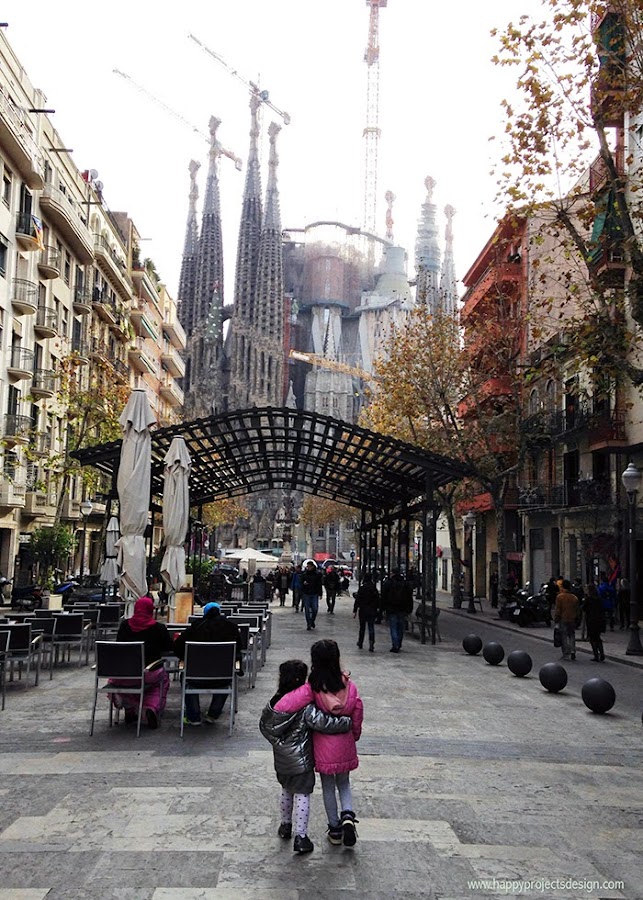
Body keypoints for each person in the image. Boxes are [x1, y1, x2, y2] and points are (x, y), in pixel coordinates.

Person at [274, 640, 363, 848]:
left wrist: (273, 712)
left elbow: (287, 704)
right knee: (344, 783)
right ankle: (348, 814)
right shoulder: (349, 684)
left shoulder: (312, 687)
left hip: (323, 747)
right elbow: (358, 709)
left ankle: (335, 828)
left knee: (328, 787)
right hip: (345, 743)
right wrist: (354, 733)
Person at [259, 659, 352, 854]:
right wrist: (345, 722)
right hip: (301, 760)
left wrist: (278, 744)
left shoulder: (275, 703)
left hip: (282, 759)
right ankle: (301, 836)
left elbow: (264, 727)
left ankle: (285, 826)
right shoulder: (304, 707)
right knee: (302, 795)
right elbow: (322, 722)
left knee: (286, 790)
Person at [174, 601, 243, 726]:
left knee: (184, 676)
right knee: (230, 677)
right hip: (222, 678)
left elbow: (177, 646)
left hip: (195, 678)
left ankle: (193, 716)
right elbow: (239, 648)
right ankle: (213, 714)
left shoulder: (195, 627)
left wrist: (185, 658)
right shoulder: (231, 628)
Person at [110, 596, 174, 729]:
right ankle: (150, 707)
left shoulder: (124, 626)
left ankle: (129, 707)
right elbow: (168, 649)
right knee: (161, 681)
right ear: (150, 610)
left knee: (125, 682)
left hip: (123, 674)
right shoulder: (159, 628)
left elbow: (118, 647)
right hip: (148, 672)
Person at [380, 568, 414, 653]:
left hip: (392, 609)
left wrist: (382, 608)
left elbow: (384, 596)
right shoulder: (405, 584)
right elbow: (409, 597)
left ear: (392, 573)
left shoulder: (389, 583)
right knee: (400, 627)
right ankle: (399, 642)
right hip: (402, 609)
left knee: (394, 627)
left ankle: (395, 645)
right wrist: (409, 608)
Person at [352, 572, 380, 652]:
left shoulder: (362, 588)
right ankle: (371, 642)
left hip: (363, 610)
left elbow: (358, 599)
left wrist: (355, 610)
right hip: (371, 610)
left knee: (362, 627)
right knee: (371, 627)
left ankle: (360, 642)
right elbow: (377, 600)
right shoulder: (373, 588)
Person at [554, 579, 580, 661]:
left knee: (564, 636)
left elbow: (558, 609)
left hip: (563, 618)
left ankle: (566, 653)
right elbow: (577, 610)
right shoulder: (574, 598)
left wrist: (556, 618)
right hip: (572, 618)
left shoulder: (560, 597)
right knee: (572, 635)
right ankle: (573, 650)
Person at [584, 583, 606, 662]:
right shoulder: (599, 599)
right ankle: (602, 653)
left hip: (591, 621)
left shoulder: (589, 599)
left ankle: (596, 655)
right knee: (598, 638)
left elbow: (583, 608)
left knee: (592, 639)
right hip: (600, 620)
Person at [301, 560, 323, 631]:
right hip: (306, 593)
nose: (308, 568)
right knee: (307, 609)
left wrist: (320, 593)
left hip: (314, 593)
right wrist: (303, 583)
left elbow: (319, 584)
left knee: (315, 609)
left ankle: (312, 620)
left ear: (313, 567)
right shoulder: (304, 574)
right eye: (307, 566)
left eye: (309, 566)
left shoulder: (317, 574)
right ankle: (309, 623)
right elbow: (301, 582)